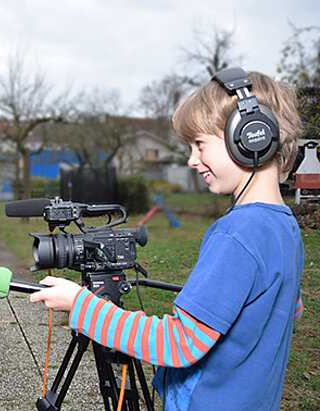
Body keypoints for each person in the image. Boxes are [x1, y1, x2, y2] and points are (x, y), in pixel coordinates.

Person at [30, 68, 305, 410]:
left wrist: (81, 305)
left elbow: (178, 343)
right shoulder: (285, 227)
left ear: (249, 137)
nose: (192, 160)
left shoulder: (237, 233)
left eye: (200, 144)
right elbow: (288, 311)